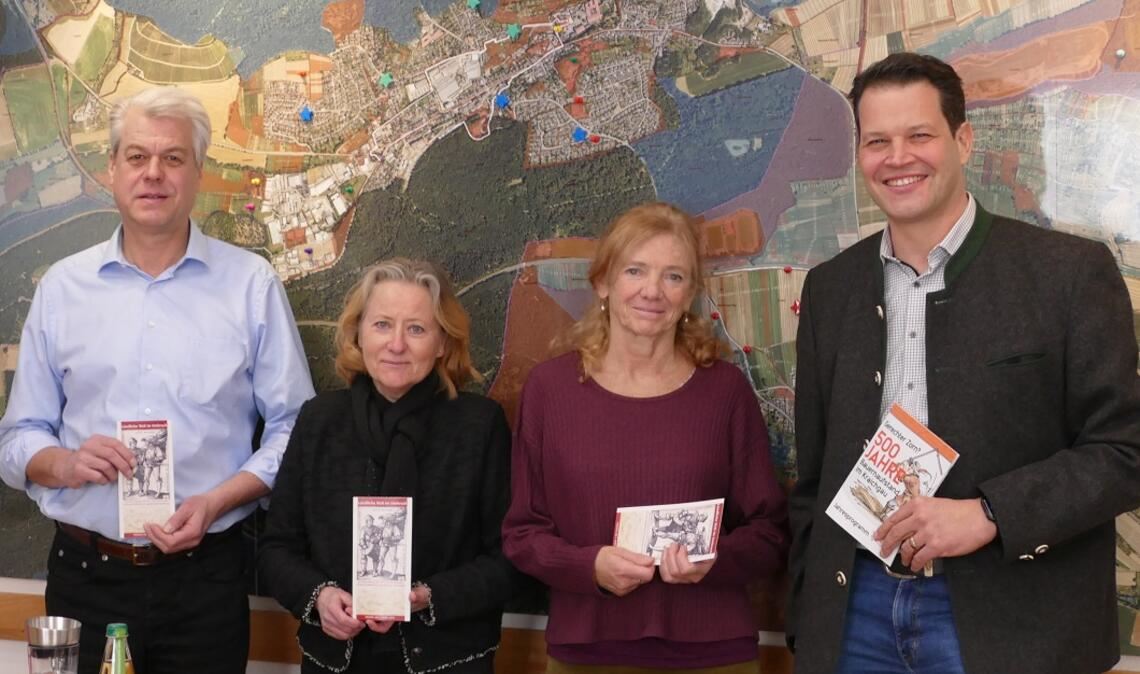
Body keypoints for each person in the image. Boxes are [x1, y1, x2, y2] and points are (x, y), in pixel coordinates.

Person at [786, 52, 1140, 674]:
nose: (898, 158)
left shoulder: (1069, 273)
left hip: (1015, 618)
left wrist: (990, 514)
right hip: (855, 614)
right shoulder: (830, 289)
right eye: (877, 141)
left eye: (919, 135)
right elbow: (813, 479)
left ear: (963, 140)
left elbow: (1126, 449)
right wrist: (807, 618)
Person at [0, 86, 314, 674]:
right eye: (137, 156)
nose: (153, 174)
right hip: (83, 580)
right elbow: (16, 437)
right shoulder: (62, 289)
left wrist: (220, 498)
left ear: (198, 173)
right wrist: (62, 464)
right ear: (111, 169)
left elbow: (296, 428)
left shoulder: (251, 285)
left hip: (207, 579)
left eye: (173, 158)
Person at [502, 202, 790, 673]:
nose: (653, 291)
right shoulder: (550, 391)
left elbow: (769, 532)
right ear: (603, 282)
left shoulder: (725, 391)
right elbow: (522, 534)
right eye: (635, 270)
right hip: (587, 652)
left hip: (714, 654)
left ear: (690, 292)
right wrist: (588, 567)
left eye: (673, 276)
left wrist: (712, 560)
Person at [259, 258, 525, 674]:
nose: (396, 344)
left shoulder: (479, 426)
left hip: (448, 660)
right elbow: (277, 549)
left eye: (416, 329)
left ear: (441, 343)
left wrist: (426, 596)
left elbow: (510, 557)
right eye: (382, 324)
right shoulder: (320, 420)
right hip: (337, 659)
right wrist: (321, 597)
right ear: (358, 333)